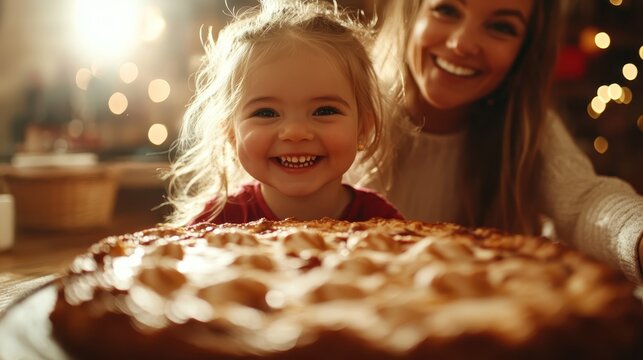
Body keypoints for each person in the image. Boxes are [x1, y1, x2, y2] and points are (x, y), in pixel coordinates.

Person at [348, 0, 643, 282]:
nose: (461, 44)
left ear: (525, 51)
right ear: (413, 11)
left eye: (501, 27)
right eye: (447, 9)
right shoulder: (349, 106)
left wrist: (636, 232)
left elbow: (584, 203)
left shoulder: (528, 129)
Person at [164, 0, 403, 226]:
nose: (295, 133)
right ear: (231, 133)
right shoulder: (212, 225)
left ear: (364, 128)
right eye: (266, 113)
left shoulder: (387, 226)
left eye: (324, 110)